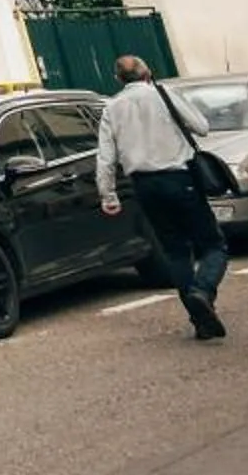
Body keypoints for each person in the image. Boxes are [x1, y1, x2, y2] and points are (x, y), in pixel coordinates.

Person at [96, 55, 228, 340]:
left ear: (118, 79)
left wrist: (108, 194)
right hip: (179, 179)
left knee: (176, 251)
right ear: (148, 73)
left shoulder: (112, 107)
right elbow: (201, 126)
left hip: (144, 186)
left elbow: (105, 157)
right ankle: (203, 291)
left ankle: (200, 320)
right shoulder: (163, 93)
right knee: (213, 244)